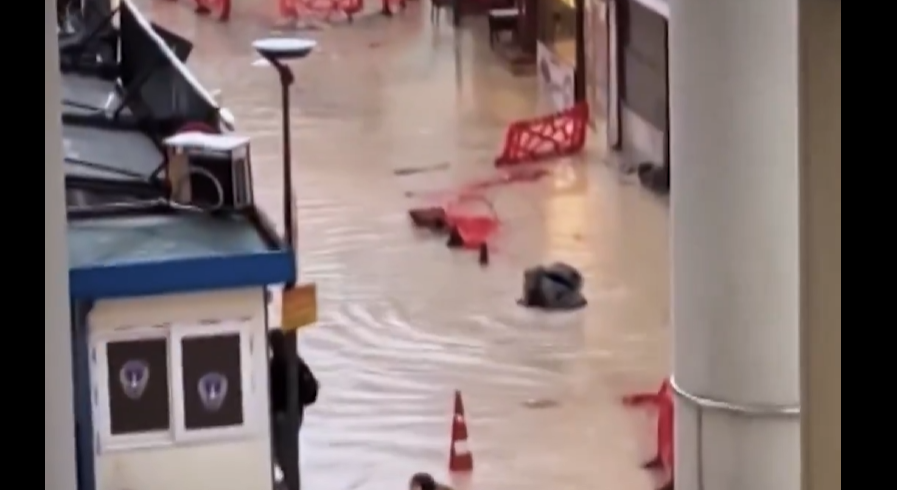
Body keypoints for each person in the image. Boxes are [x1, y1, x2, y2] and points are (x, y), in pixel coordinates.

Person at [268, 328, 318, 488]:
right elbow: (312, 393)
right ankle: (288, 482)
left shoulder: (275, 366)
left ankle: (287, 483)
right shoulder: (297, 364)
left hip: (281, 418)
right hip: (292, 417)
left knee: (280, 453)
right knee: (286, 454)